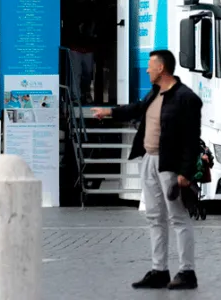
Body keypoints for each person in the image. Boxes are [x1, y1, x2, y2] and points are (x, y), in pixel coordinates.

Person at [92, 50, 202, 290]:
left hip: (170, 164)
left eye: (151, 66)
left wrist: (185, 172)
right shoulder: (154, 93)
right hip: (150, 160)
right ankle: (159, 270)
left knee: (178, 217)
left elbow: (192, 139)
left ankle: (187, 271)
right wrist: (109, 112)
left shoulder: (186, 98)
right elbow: (136, 109)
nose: (147, 70)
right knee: (154, 217)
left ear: (161, 68)